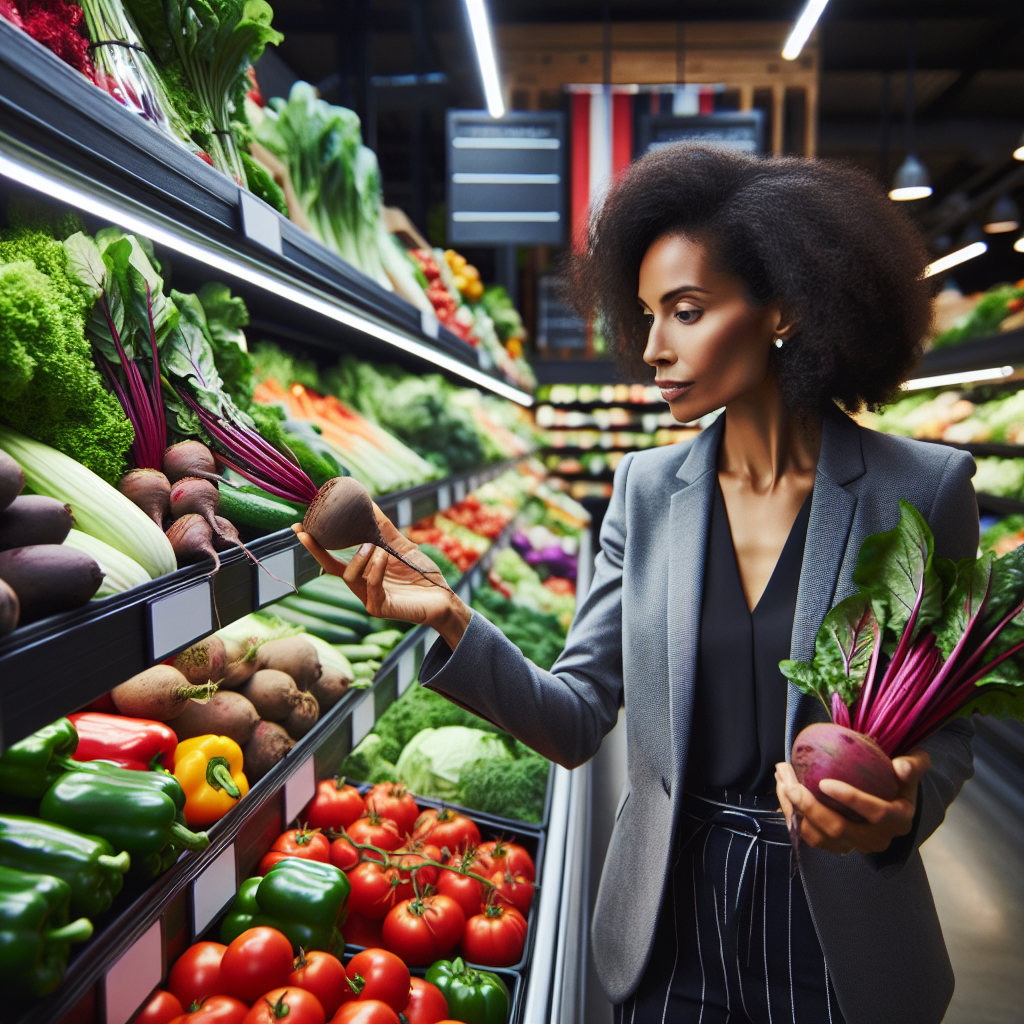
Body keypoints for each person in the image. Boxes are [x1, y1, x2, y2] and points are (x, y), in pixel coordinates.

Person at [295, 146, 978, 1024]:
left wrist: (907, 800)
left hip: (839, 934)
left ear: (786, 308)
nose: (651, 347)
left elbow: (951, 729)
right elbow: (578, 716)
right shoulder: (647, 492)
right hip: (668, 919)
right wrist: (452, 619)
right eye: (649, 313)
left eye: (686, 312)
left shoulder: (919, 490)